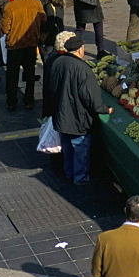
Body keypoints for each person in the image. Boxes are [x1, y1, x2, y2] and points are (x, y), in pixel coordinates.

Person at [52, 35, 112, 184]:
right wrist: (105, 109)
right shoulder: (83, 68)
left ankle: (69, 172)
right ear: (80, 50)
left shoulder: (57, 62)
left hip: (61, 115)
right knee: (80, 148)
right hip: (78, 118)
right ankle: (80, 178)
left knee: (67, 147)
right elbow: (90, 98)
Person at [0, 0, 46, 111]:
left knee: (12, 76)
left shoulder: (10, 7)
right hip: (31, 44)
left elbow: (4, 28)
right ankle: (29, 101)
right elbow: (43, 20)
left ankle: (11, 101)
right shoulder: (36, 4)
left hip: (15, 46)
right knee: (30, 74)